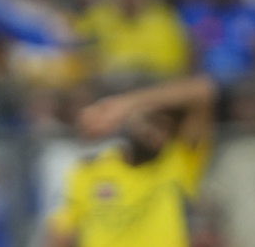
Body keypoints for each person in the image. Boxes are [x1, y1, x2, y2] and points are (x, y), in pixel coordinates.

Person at [44, 74, 217, 247]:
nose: (154, 132)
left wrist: (127, 103)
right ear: (131, 119)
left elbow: (203, 91)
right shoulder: (89, 169)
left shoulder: (176, 160)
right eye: (151, 120)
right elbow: (61, 231)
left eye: (166, 127)